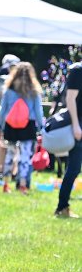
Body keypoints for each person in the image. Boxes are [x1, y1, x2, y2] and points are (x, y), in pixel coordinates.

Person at [0, 62, 45, 194]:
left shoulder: (9, 90)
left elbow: (3, 110)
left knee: (10, 154)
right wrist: (42, 127)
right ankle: (23, 185)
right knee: (25, 156)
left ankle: (6, 184)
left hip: (11, 125)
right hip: (27, 126)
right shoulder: (34, 91)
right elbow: (38, 112)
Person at [56, 58, 82, 217]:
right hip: (78, 124)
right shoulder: (78, 70)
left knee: (74, 168)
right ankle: (62, 207)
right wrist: (75, 125)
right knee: (73, 169)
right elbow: (70, 99)